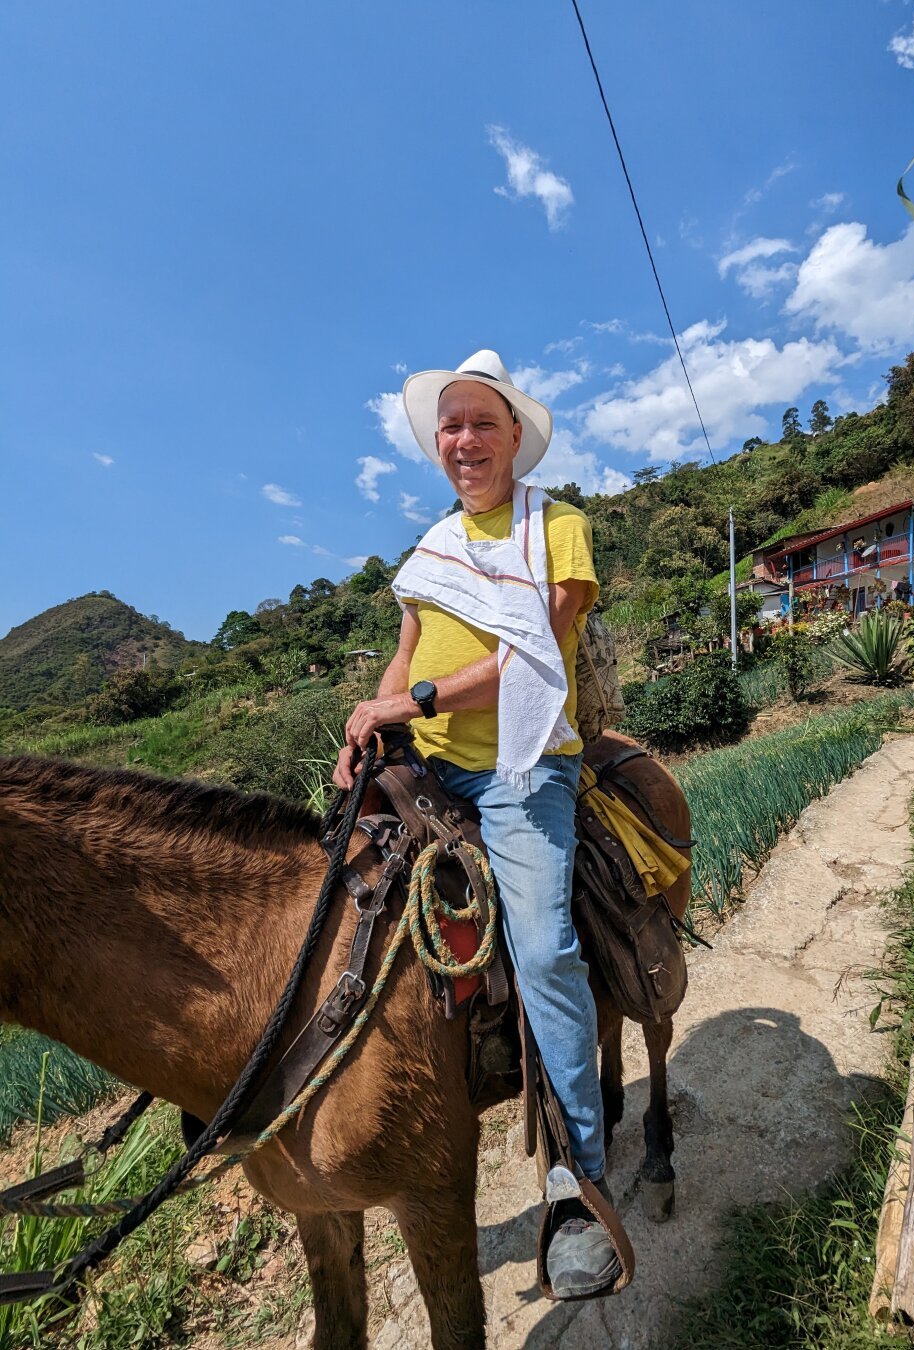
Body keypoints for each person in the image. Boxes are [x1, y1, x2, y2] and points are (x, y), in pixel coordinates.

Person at [333, 350, 620, 1299]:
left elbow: (534, 641)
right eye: (449, 426)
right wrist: (369, 729)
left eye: (480, 424)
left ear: (512, 439)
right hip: (428, 758)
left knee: (541, 949)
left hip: (521, 762)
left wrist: (409, 700)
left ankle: (581, 1181)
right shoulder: (430, 551)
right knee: (337, 900)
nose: (463, 440)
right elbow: (403, 653)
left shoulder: (557, 527)